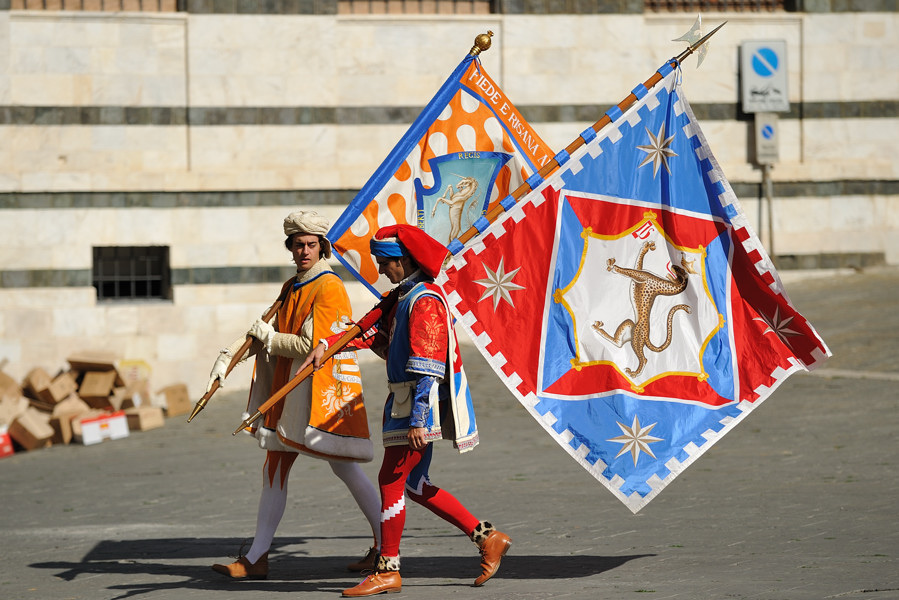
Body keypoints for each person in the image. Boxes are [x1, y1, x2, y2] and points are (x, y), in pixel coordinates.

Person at [301, 224, 512, 596]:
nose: (381, 271)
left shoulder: (424, 300)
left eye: (385, 263)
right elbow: (374, 335)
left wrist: (418, 419)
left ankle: (388, 567)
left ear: (404, 260)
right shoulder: (403, 297)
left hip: (416, 404)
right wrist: (329, 346)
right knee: (415, 484)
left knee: (391, 480)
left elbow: (428, 362)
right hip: (402, 401)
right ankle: (487, 538)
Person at [206, 210, 381, 579]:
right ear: (290, 247)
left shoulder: (329, 286)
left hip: (314, 393)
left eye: (311, 245)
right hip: (287, 391)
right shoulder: (292, 286)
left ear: (322, 248)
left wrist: (268, 338)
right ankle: (256, 558)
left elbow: (312, 344)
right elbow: (265, 332)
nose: (304, 251)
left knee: (344, 467)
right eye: (298, 244)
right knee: (277, 468)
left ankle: (386, 547)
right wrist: (227, 359)